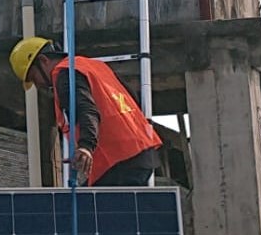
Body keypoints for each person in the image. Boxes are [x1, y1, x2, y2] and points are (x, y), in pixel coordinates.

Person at [9, 37, 162, 186]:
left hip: (118, 160)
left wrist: (86, 146)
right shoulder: (93, 66)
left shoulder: (64, 74)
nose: (38, 85)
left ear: (43, 60)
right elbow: (130, 96)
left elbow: (86, 108)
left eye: (34, 77)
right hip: (140, 153)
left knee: (85, 208)